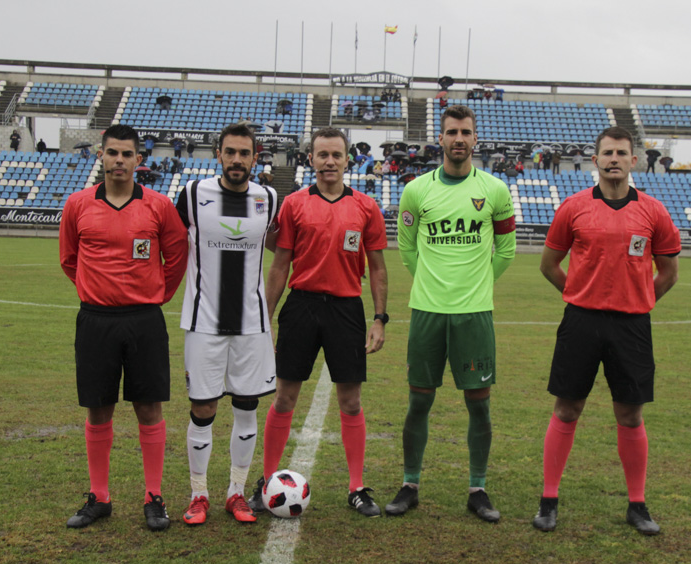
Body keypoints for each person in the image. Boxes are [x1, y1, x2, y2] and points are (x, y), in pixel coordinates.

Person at [532, 126, 680, 535]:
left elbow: (669, 273)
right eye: (607, 153)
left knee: (630, 414)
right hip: (581, 321)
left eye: (621, 153)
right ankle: (548, 499)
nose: (614, 159)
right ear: (595, 160)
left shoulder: (653, 212)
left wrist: (639, 301)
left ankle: (637, 504)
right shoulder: (573, 207)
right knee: (567, 408)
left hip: (632, 325)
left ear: (634, 161)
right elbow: (548, 265)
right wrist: (579, 295)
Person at [249, 127, 389, 518]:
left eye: (336, 155)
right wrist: (266, 319)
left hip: (346, 309)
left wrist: (379, 318)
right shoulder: (293, 205)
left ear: (348, 160)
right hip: (302, 306)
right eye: (322, 155)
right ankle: (266, 482)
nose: (329, 162)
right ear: (310, 159)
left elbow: (378, 269)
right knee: (285, 397)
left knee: (350, 400)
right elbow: (279, 266)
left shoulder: (366, 207)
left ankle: (357, 487)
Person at [59, 124, 189, 531]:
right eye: (112, 152)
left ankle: (154, 497)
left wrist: (155, 296)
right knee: (99, 408)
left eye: (126, 154)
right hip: (96, 320)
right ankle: (99, 497)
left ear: (138, 160)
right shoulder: (78, 204)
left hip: (144, 321)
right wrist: (96, 290)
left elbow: (176, 255)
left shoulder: (158, 206)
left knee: (148, 407)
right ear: (101, 156)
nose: (119, 160)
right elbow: (68, 259)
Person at [390, 105, 516, 522]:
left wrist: (476, 285)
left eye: (465, 131)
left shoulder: (496, 190)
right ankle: (410, 484)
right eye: (451, 132)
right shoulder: (416, 191)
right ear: (440, 139)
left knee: (479, 404)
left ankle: (477, 488)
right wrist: (431, 281)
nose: (458, 138)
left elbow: (508, 250)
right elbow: (407, 248)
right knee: (418, 402)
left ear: (475, 139)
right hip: (427, 311)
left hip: (475, 315)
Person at [176, 124, 280, 527]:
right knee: (203, 407)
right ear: (218, 154)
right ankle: (198, 494)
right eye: (230, 152)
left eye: (245, 153)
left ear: (256, 157)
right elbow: (167, 239)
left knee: (246, 405)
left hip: (252, 325)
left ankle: (235, 492)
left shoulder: (268, 198)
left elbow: (283, 248)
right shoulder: (191, 196)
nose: (237, 160)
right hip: (204, 321)